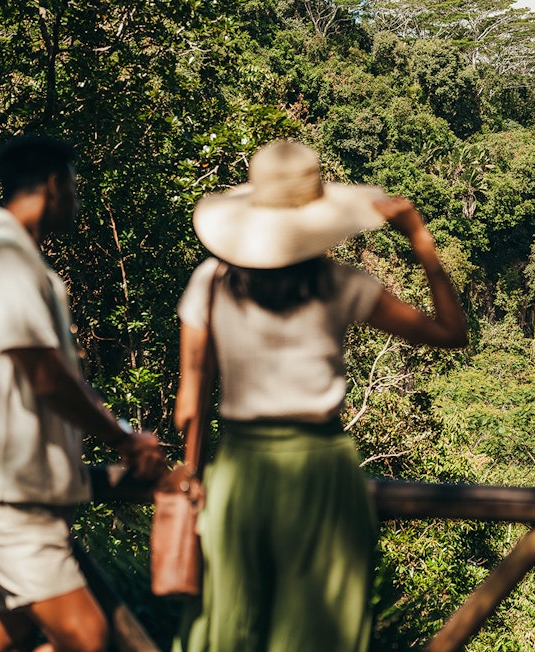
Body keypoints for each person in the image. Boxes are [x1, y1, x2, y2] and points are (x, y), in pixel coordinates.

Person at [172, 140, 467, 652]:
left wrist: (191, 475)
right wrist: (419, 238)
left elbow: (190, 403)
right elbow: (450, 333)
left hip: (241, 470)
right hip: (323, 469)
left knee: (231, 622)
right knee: (319, 631)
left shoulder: (211, 283)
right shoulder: (340, 285)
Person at [0, 135, 166, 652]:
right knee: (87, 635)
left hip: (6, 491)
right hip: (9, 497)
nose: (79, 203)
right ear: (55, 185)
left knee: (1, 636)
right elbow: (44, 374)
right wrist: (124, 438)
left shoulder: (14, 260)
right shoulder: (4, 260)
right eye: (76, 189)